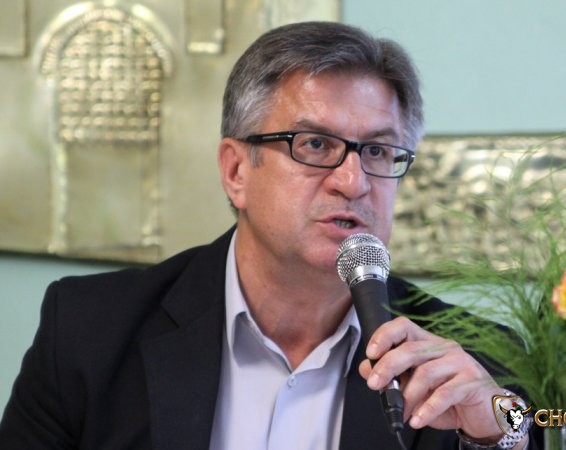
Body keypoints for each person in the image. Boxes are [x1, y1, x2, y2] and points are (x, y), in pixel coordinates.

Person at [0, 22, 532, 450]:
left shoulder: (476, 356)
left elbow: (534, 428)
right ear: (236, 171)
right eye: (315, 144)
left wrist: (499, 434)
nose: (353, 182)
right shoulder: (88, 331)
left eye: (376, 151)